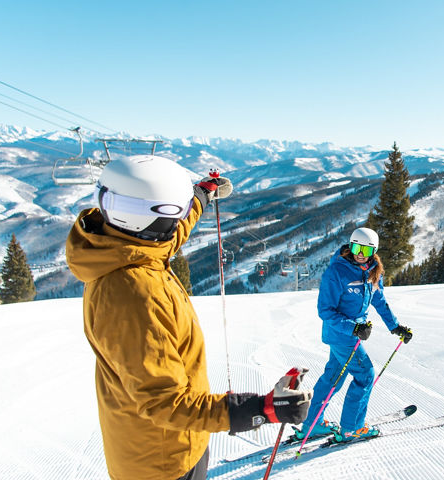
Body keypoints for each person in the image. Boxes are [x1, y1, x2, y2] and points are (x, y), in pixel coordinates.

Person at [65, 155, 312, 480]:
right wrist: (258, 410)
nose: (179, 221)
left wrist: (201, 196)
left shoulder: (121, 245)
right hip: (162, 463)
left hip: (174, 443)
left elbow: (168, 231)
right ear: (153, 220)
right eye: (175, 211)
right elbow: (164, 403)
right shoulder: (135, 296)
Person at [294, 227, 413, 442]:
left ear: (373, 251)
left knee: (333, 379)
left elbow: (379, 300)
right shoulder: (337, 272)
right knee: (365, 374)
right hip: (342, 334)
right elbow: (325, 310)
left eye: (365, 250)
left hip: (349, 335)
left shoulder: (373, 270)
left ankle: (312, 425)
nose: (360, 254)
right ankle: (352, 428)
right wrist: (354, 328)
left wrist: (395, 326)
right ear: (350, 245)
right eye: (357, 248)